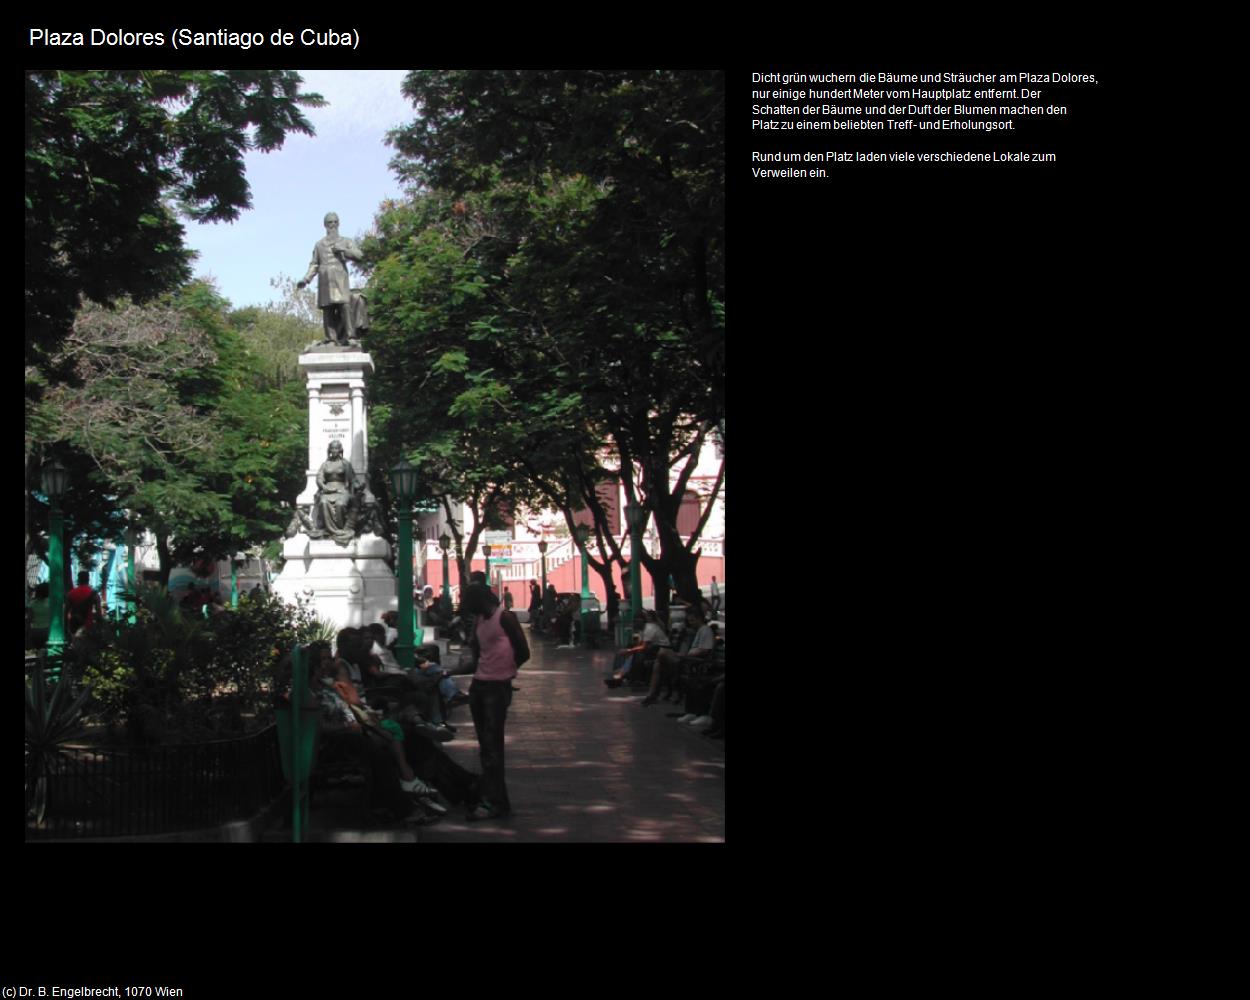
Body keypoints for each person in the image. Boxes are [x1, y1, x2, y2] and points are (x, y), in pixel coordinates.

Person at [461, 582, 530, 821]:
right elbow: (478, 656)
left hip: (496, 688)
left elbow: (524, 651)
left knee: (492, 747)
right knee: (486, 747)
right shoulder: (479, 621)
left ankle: (494, 802)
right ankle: (496, 800)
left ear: (479, 599)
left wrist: (506, 672)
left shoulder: (505, 617)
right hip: (479, 686)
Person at [297, 211, 365, 345]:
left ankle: (350, 337)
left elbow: (359, 255)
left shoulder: (346, 241)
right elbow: (315, 264)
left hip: (340, 278)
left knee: (345, 306)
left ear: (338, 223)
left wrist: (343, 250)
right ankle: (331, 339)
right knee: (327, 310)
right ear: (325, 225)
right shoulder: (319, 244)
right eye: (329, 222)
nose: (332, 225)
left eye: (334, 222)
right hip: (325, 279)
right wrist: (306, 279)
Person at [642, 607, 714, 707]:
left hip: (691, 661)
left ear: (699, 619)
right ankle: (652, 694)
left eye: (692, 620)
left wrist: (685, 655)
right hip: (686, 659)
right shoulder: (698, 630)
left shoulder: (705, 630)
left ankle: (652, 694)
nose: (691, 623)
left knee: (662, 653)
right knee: (659, 662)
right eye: (689, 621)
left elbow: (704, 649)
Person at [312, 440, 361, 544]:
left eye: (336, 448)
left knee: (340, 504)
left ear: (340, 450)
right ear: (329, 450)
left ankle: (341, 530)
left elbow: (352, 479)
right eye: (332, 448)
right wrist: (323, 486)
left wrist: (357, 487)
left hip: (342, 489)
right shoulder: (325, 464)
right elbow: (319, 477)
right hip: (328, 490)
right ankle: (331, 530)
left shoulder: (345, 463)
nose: (334, 450)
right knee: (323, 503)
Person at [28, 582, 51, 649]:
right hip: (48, 630)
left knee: (38, 649)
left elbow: (30, 619)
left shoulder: (32, 604)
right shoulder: (51, 602)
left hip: (36, 630)